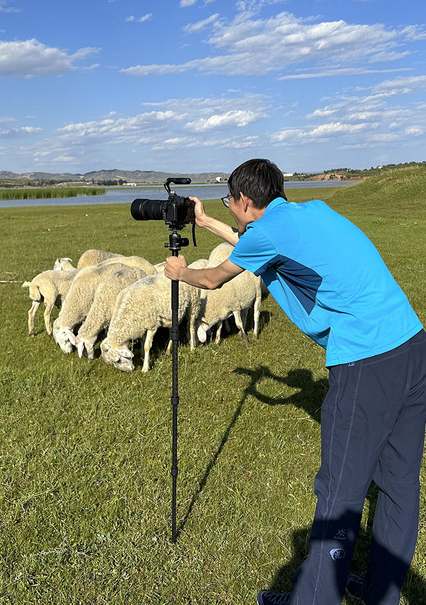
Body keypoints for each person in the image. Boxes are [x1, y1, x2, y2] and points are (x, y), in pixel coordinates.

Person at [164, 159, 426, 605]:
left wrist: (179, 273)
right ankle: (382, 592)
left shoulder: (267, 235)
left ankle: (314, 599)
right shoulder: (312, 212)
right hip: (412, 346)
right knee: (400, 484)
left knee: (340, 492)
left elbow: (213, 277)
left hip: (366, 360)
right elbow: (254, 250)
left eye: (229, 202)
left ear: (246, 200)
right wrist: (205, 221)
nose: (230, 209)